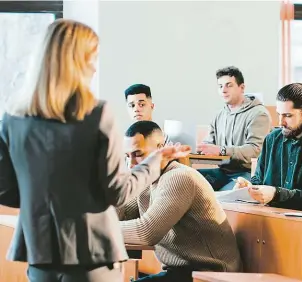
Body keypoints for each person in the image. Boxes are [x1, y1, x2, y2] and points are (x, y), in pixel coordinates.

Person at [0, 19, 190, 282]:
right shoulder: (96, 114)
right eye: (93, 58)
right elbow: (116, 191)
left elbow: (5, 190)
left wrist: (46, 200)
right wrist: (154, 163)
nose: (94, 67)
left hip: (40, 251)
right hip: (91, 252)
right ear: (79, 61)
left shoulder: (12, 119)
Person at [120, 121, 242, 281]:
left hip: (211, 275)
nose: (131, 164)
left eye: (138, 154)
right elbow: (121, 213)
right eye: (127, 157)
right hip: (181, 273)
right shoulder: (148, 180)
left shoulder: (179, 178)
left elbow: (146, 232)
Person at [235, 83, 302, 212]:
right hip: (270, 216)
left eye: (288, 115)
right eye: (279, 114)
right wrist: (249, 188)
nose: (281, 122)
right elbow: (258, 180)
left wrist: (276, 194)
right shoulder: (272, 139)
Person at [197, 66, 271, 191]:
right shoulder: (219, 115)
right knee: (184, 178)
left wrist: (222, 150)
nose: (223, 90)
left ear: (242, 88)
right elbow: (209, 143)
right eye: (220, 86)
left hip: (247, 174)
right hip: (223, 172)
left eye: (229, 85)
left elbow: (255, 150)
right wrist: (199, 149)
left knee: (224, 197)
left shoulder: (259, 114)